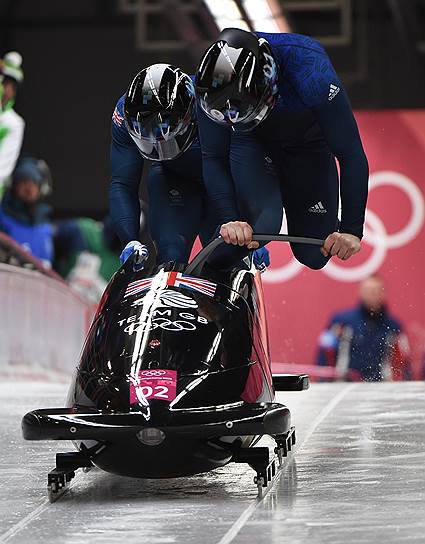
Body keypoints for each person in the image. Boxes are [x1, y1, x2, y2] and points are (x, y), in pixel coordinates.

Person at [195, 28, 369, 269]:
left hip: (307, 146)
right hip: (251, 141)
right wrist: (229, 219)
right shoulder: (207, 87)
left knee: (314, 254)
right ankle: (209, 275)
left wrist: (352, 230)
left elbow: (350, 154)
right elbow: (213, 156)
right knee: (259, 228)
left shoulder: (311, 71)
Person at [109, 63, 269, 271]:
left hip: (226, 183)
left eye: (166, 141)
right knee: (170, 259)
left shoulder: (217, 100)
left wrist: (251, 222)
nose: (159, 150)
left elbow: (254, 166)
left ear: (190, 118)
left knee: (225, 261)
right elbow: (122, 183)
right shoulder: (124, 114)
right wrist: (129, 239)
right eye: (149, 142)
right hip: (173, 180)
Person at [317, 275, 411, 381]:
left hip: (381, 387)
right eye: (368, 290)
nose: (372, 294)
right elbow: (325, 352)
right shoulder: (341, 321)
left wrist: (403, 384)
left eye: (376, 290)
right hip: (345, 385)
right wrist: (323, 381)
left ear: (383, 293)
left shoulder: (394, 326)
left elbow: (403, 361)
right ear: (360, 292)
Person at [0, 156, 54, 267]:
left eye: (34, 183)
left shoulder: (45, 225)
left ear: (42, 188)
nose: (29, 188)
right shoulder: (2, 218)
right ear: (13, 185)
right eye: (24, 181)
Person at [0, 51, 25, 197]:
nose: (6, 89)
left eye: (11, 85)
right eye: (4, 82)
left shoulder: (14, 123)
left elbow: (2, 171)